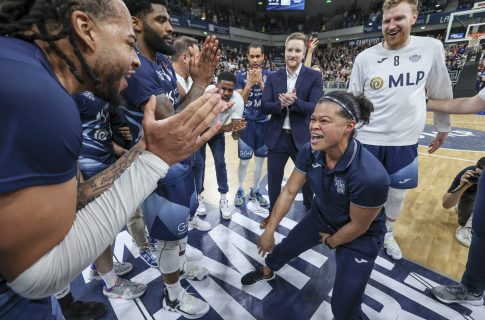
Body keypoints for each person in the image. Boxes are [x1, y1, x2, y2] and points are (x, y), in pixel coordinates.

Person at [0, 0, 225, 318]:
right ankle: (161, 292)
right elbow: (34, 278)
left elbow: (75, 201)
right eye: (129, 44)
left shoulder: (24, 70)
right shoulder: (42, 97)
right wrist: (153, 161)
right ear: (84, 29)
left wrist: (145, 149)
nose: (135, 61)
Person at [241, 92, 390, 320]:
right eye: (313, 119)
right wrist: (270, 229)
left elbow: (359, 226)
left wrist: (331, 241)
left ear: (349, 126)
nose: (314, 126)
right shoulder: (311, 151)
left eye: (324, 121)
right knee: (287, 246)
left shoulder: (370, 176)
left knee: (343, 307)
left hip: (361, 237)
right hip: (322, 216)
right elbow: (290, 190)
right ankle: (268, 269)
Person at [122, 0, 220, 318]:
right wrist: (202, 83)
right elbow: (175, 123)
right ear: (137, 23)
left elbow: (183, 107)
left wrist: (201, 84)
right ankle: (173, 297)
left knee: (180, 231)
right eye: (161, 20)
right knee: (167, 238)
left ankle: (178, 269)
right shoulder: (136, 67)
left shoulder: (162, 62)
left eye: (170, 20)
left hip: (181, 164)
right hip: (158, 172)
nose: (170, 27)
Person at [348, 0, 452, 260]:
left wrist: (443, 126)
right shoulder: (365, 57)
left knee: (397, 194)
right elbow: (352, 101)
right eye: (386, 21)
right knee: (362, 191)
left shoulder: (430, 48)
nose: (391, 26)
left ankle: (388, 232)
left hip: (404, 140)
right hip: (367, 139)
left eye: (399, 19)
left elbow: (441, 91)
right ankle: (359, 229)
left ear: (414, 17)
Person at [74, 91, 149, 299]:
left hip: (105, 165)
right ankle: (111, 283)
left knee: (107, 225)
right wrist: (77, 180)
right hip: (87, 173)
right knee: (98, 228)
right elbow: (66, 140)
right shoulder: (74, 94)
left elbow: (101, 133)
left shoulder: (100, 94)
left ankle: (99, 268)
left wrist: (123, 153)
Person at [426, 92, 485, 305]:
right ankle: (472, 288)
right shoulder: (473, 172)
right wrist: (421, 100)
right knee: (480, 227)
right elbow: (468, 103)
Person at [261, 32, 324, 228]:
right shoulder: (273, 77)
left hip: (302, 138)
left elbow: (315, 107)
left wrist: (295, 102)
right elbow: (264, 105)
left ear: (304, 53)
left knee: (307, 181)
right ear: (284, 51)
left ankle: (308, 209)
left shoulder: (314, 76)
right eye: (290, 50)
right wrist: (280, 104)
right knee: (273, 181)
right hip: (277, 137)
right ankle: (272, 215)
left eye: (298, 50)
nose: (293, 54)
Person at [170, 35, 212, 231]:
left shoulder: (191, 80)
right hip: (175, 149)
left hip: (195, 144)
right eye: (197, 56)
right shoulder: (169, 80)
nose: (200, 61)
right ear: (185, 57)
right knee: (177, 192)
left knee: (196, 182)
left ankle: (191, 217)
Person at [199, 71, 246, 220]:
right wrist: (227, 127)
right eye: (223, 88)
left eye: (230, 90)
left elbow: (234, 135)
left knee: (220, 163)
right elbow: (202, 121)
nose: (226, 93)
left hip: (217, 132)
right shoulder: (207, 93)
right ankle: (199, 196)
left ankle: (224, 198)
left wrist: (238, 130)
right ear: (216, 85)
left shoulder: (238, 100)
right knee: (198, 164)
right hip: (200, 129)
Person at [234, 43, 271, 208]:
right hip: (246, 124)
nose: (255, 60)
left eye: (258, 56)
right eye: (252, 56)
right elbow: (239, 103)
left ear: (263, 57)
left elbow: (273, 100)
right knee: (243, 162)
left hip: (264, 125)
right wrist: (249, 84)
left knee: (260, 162)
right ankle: (241, 189)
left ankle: (255, 190)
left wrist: (261, 84)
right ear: (247, 57)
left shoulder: (270, 75)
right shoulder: (239, 76)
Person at [441, 157, 485, 247]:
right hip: (472, 195)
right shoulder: (469, 174)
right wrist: (462, 187)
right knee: (471, 211)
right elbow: (445, 204)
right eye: (479, 175)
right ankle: (464, 226)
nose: (480, 179)